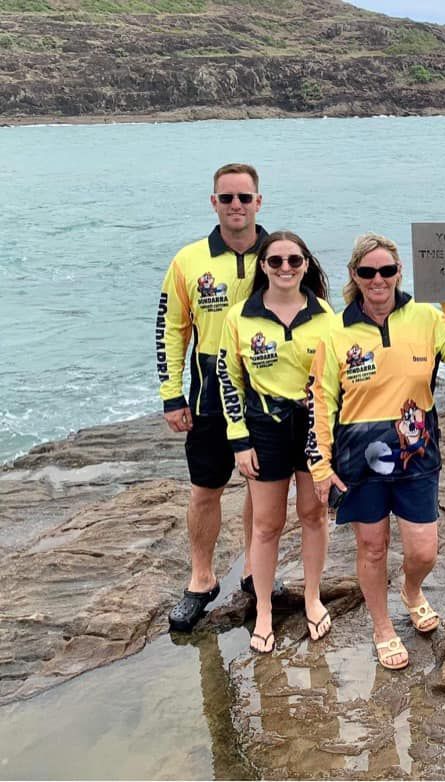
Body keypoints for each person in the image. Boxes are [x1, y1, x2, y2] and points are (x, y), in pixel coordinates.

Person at [307, 233, 445, 670]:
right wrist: (319, 465)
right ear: (354, 275)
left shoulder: (424, 316)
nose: (378, 279)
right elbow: (321, 400)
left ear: (399, 272)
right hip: (357, 458)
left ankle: (411, 590)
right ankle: (382, 627)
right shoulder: (335, 330)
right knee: (372, 547)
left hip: (417, 452)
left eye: (387, 270)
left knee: (423, 551)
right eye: (368, 271)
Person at [156, 163, 277, 632]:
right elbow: (171, 328)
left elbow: (314, 318)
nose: (236, 206)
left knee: (261, 485)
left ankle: (254, 570)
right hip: (209, 391)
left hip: (267, 390)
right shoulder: (189, 261)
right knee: (206, 488)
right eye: (227, 198)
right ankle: (201, 579)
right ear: (214, 202)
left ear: (259, 202)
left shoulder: (281, 254)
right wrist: (171, 394)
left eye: (245, 197)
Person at [217, 231, 335, 653]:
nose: (286, 268)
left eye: (294, 261)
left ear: (306, 265)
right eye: (276, 261)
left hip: (312, 426)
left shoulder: (325, 314)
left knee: (313, 514)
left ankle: (312, 598)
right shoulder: (240, 317)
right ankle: (264, 610)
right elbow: (228, 380)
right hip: (264, 427)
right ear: (263, 266)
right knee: (267, 525)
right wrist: (239, 439)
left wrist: (333, 438)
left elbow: (335, 379)